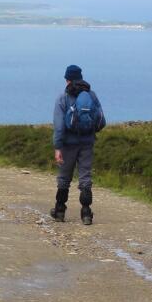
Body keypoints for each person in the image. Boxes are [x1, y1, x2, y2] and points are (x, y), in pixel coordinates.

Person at [50, 65, 106, 225]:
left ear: (67, 79)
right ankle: (86, 213)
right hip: (87, 142)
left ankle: (60, 211)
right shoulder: (91, 95)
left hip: (68, 144)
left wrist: (58, 147)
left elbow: (59, 126)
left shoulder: (63, 98)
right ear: (81, 77)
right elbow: (101, 119)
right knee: (85, 177)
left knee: (64, 178)